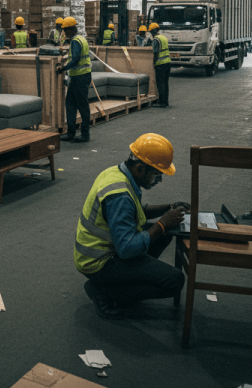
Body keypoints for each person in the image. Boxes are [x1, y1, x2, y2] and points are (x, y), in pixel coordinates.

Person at [75, 133, 188, 319]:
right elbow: (126, 249)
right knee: (175, 280)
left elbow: (135, 213)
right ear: (140, 169)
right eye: (157, 175)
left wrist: (168, 209)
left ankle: (125, 280)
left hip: (106, 248)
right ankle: (104, 290)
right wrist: (162, 223)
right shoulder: (119, 195)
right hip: (99, 261)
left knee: (166, 232)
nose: (158, 180)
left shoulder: (116, 172)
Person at [56, 16, 91, 143]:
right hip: (79, 76)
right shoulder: (81, 39)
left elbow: (75, 60)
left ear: (71, 29)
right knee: (70, 103)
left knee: (82, 106)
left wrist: (63, 67)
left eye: (65, 30)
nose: (64, 33)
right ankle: (71, 133)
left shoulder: (76, 41)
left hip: (80, 77)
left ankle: (85, 134)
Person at [151, 22, 171, 108]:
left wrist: (154, 63)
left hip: (160, 63)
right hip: (168, 62)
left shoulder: (156, 39)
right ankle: (165, 101)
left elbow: (155, 53)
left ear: (152, 32)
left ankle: (162, 102)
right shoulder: (163, 37)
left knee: (160, 83)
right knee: (165, 83)